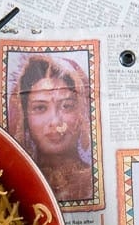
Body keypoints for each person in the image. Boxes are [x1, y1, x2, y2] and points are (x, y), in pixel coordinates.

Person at [7, 52, 93, 203]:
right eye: (40, 108)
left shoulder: (91, 181)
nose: (55, 121)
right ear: (24, 118)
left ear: (81, 113)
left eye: (67, 106)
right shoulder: (12, 183)